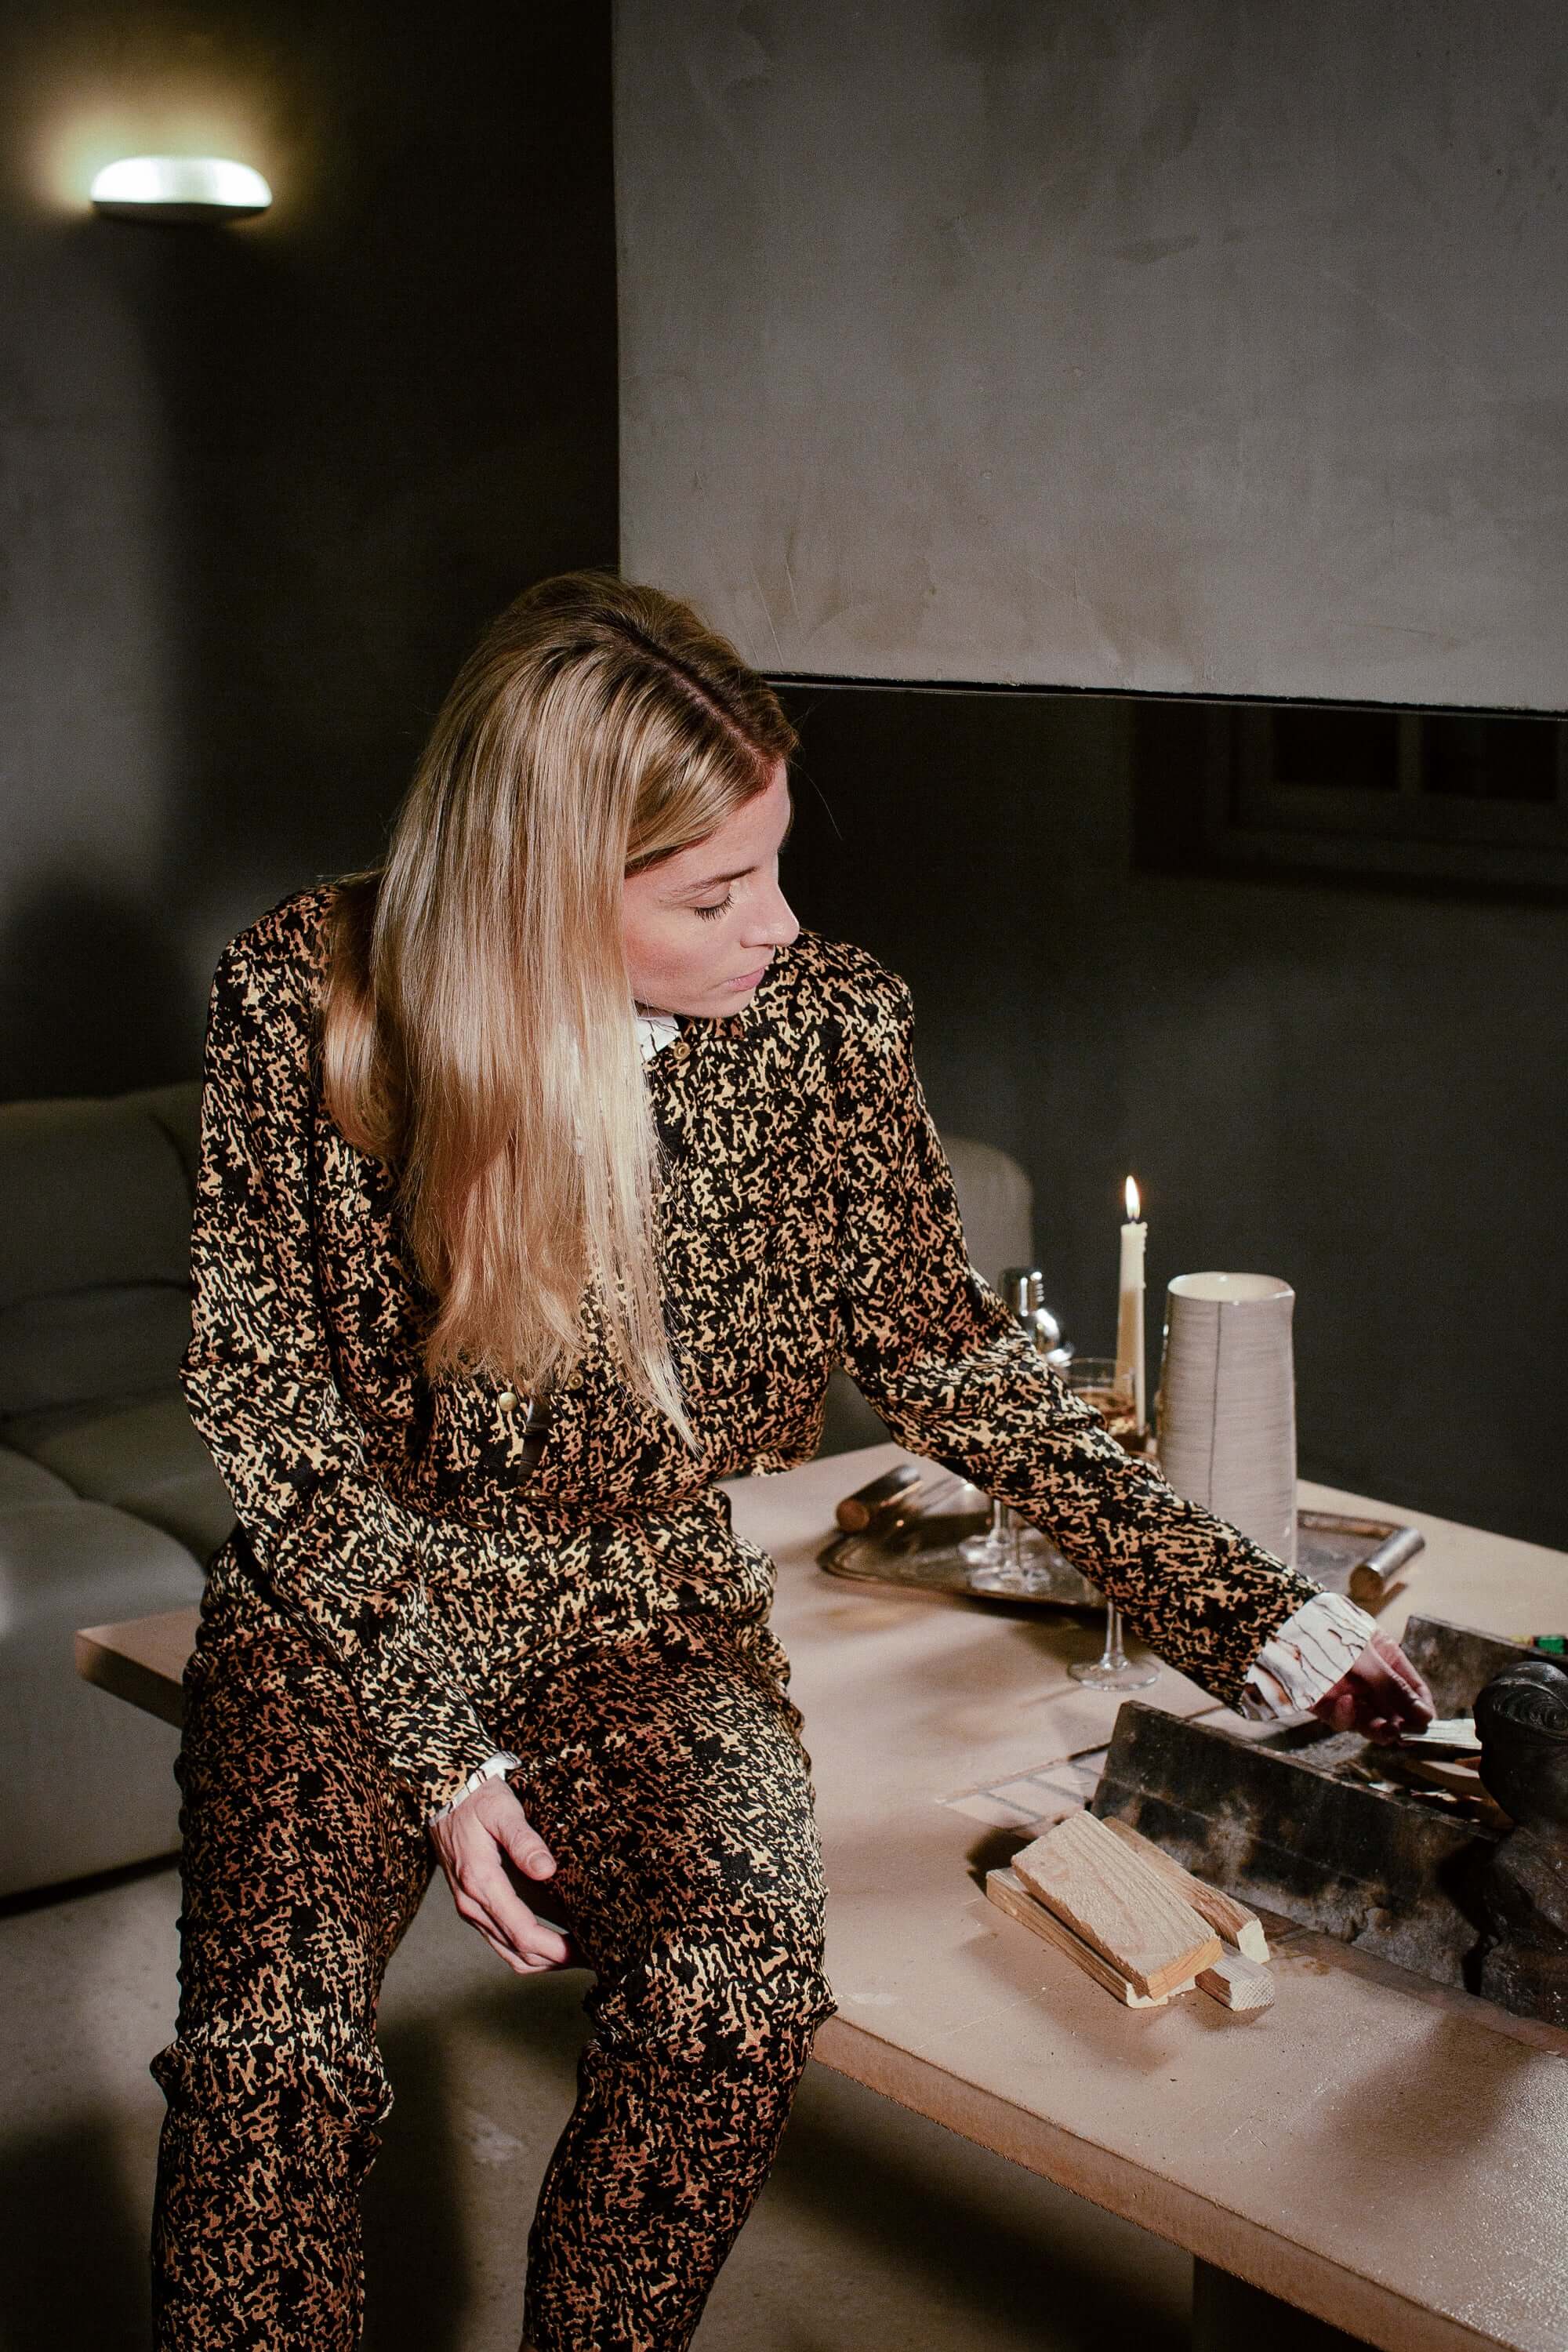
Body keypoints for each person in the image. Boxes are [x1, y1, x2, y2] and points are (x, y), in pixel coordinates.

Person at [151, 571, 1432, 2351]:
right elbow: (273, 1420)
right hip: (347, 1608)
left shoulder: (831, 1025)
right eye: (715, 893)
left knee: (737, 1991)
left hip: (649, 1610)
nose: (779, 922)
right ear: (540, 890)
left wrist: (1251, 1611)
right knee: (266, 2071)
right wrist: (446, 1756)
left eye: (772, 865)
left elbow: (945, 1356)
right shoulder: (305, 993)